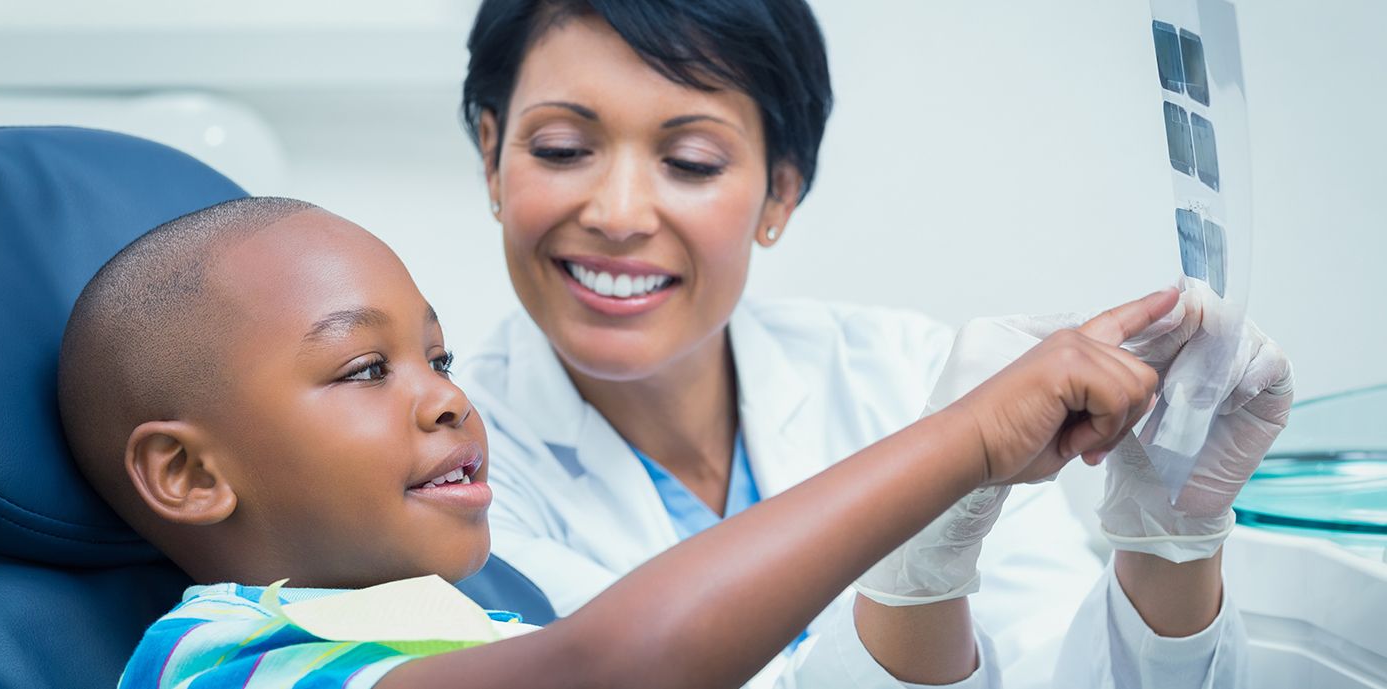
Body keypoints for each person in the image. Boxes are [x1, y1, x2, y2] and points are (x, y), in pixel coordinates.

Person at [455, 1, 1295, 687]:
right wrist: (913, 574)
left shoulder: (909, 370)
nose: (619, 212)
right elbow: (637, 667)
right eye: (562, 149)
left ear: (780, 191)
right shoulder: (449, 473)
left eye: (693, 160)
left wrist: (1171, 541)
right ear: (493, 157)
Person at [58, 197, 1176, 689]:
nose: (447, 400)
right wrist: (961, 440)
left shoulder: (477, 621)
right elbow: (612, 669)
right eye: (365, 368)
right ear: (190, 473)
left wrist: (947, 546)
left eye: (438, 360)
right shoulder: (226, 656)